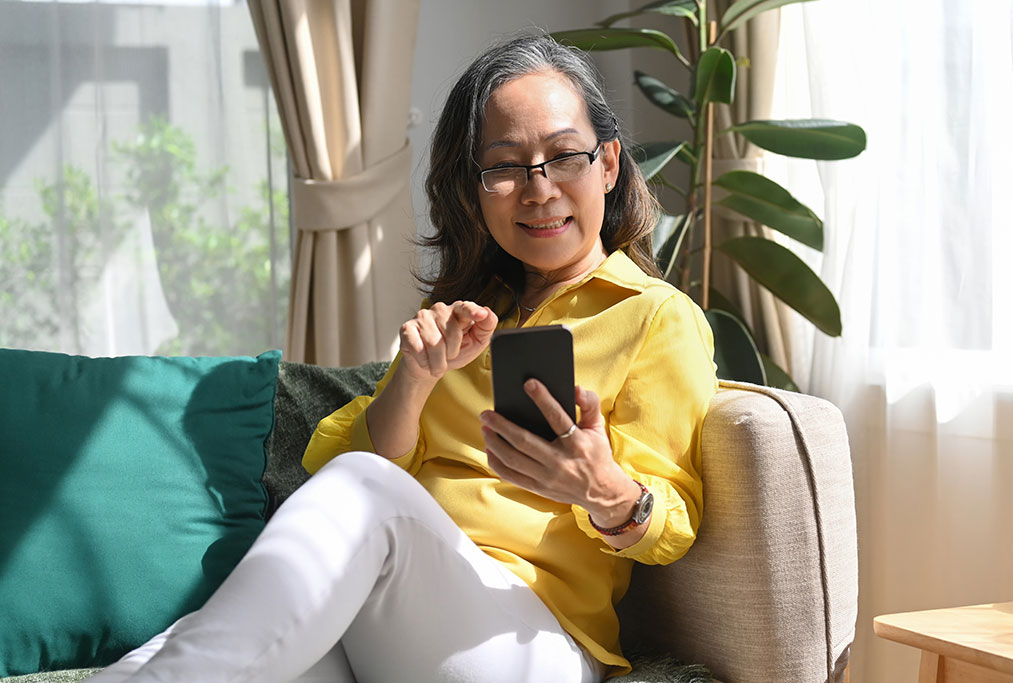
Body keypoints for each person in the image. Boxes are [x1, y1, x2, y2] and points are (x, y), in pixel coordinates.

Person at [86, 34, 717, 683]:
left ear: (608, 164)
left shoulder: (657, 317)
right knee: (212, 638)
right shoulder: (467, 316)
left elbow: (673, 523)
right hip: (403, 616)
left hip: (527, 636)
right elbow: (356, 474)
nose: (538, 189)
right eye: (504, 166)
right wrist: (415, 377)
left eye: (564, 157)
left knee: (365, 495)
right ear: (473, 187)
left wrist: (604, 488)